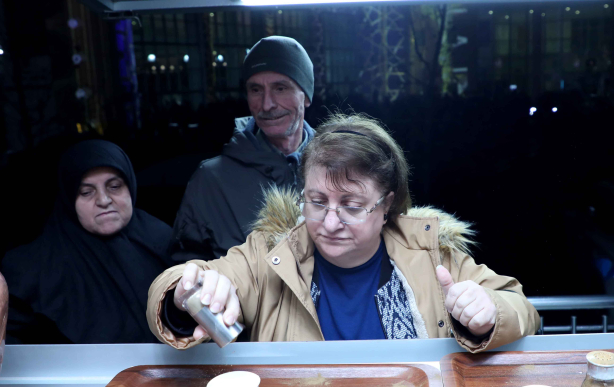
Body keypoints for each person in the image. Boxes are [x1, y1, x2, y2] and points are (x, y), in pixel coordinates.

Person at [146, 113, 539, 352]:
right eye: (317, 201)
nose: (330, 223)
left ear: (386, 205)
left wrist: (489, 312)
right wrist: (187, 291)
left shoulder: (432, 255)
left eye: (351, 206)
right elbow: (180, 283)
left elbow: (523, 310)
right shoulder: (270, 255)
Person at [1, 140, 172, 344]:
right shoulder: (34, 268)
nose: (104, 200)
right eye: (86, 192)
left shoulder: (164, 241)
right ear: (69, 198)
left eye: (114, 187)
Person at [170, 36, 316, 263]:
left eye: (280, 88)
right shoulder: (211, 180)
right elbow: (184, 268)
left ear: (306, 96)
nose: (267, 104)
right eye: (256, 90)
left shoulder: (338, 166)